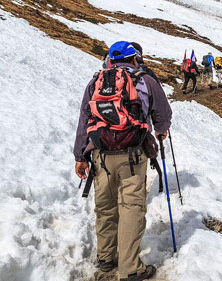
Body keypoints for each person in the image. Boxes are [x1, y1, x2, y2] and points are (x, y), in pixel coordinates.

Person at [74, 41, 172, 281]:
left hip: (100, 154)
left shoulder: (96, 81)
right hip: (133, 153)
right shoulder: (145, 80)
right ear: (135, 58)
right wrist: (161, 130)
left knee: (105, 207)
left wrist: (80, 156)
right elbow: (163, 113)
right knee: (131, 207)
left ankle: (106, 259)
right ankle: (130, 269)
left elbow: (84, 120)